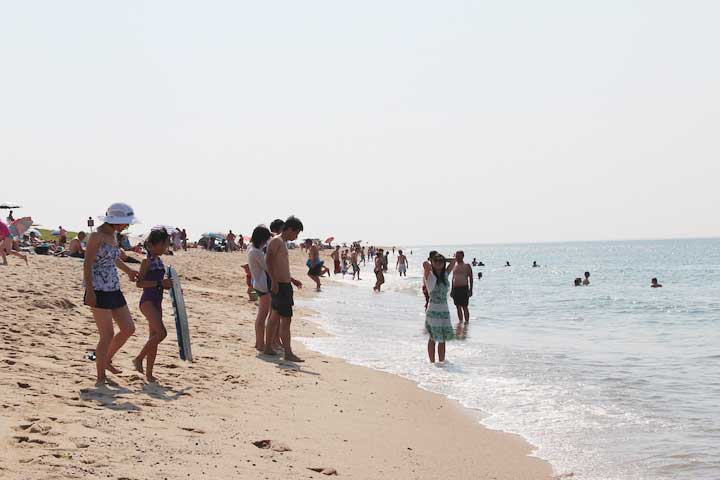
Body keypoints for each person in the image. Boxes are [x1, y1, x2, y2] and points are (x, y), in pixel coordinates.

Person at [83, 203, 139, 386]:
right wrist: (90, 291)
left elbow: (113, 258)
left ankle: (106, 359)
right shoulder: (96, 236)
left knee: (129, 328)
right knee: (106, 334)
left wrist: (129, 270)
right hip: (98, 288)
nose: (126, 226)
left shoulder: (113, 235)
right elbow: (87, 263)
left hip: (113, 286)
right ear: (115, 221)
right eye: (125, 223)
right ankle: (100, 377)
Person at [133, 229, 172, 382]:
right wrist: (159, 283)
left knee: (153, 337)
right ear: (153, 245)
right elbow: (139, 283)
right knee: (161, 334)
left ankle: (149, 374)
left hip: (157, 301)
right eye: (164, 245)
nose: (165, 248)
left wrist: (168, 286)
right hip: (147, 301)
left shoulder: (159, 261)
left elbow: (161, 284)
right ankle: (138, 359)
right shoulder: (146, 261)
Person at [264, 216, 304, 362]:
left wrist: (291, 280)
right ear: (288, 229)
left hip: (283, 284)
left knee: (274, 317)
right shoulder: (277, 241)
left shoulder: (281, 242)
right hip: (280, 286)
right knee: (286, 320)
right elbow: (268, 261)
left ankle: (268, 347)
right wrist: (274, 281)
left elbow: (280, 265)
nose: (296, 236)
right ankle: (288, 353)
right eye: (296, 233)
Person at [423, 253, 456, 363]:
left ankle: (442, 363)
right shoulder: (429, 275)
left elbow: (453, 261)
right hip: (433, 310)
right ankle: (432, 363)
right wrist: (434, 260)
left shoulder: (445, 275)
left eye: (441, 262)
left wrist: (443, 259)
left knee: (443, 339)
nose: (439, 263)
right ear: (432, 262)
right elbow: (425, 264)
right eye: (436, 261)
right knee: (433, 337)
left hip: (444, 310)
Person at [247, 225, 273, 351]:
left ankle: (259, 343)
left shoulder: (251, 249)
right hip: (263, 285)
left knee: (261, 315)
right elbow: (267, 267)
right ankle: (260, 343)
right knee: (262, 316)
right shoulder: (257, 252)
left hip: (257, 283)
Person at [450, 251, 473, 323]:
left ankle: (466, 323)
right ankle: (460, 322)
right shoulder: (454, 266)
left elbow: (471, 278)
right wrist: (451, 290)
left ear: (463, 256)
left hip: (464, 288)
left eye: (459, 256)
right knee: (458, 306)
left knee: (465, 306)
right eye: (456, 256)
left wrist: (470, 290)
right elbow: (453, 279)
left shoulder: (467, 265)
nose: (457, 257)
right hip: (456, 289)